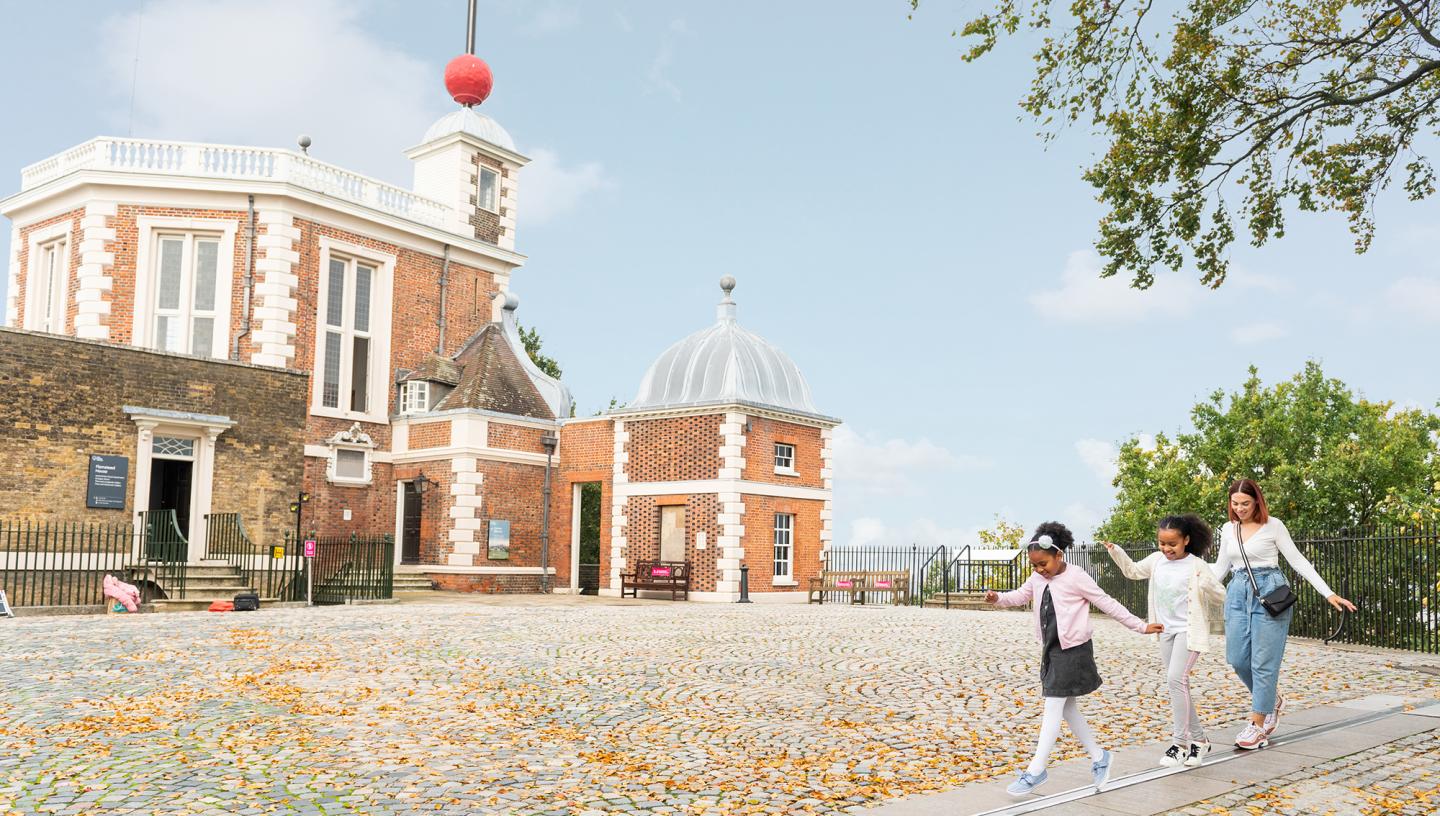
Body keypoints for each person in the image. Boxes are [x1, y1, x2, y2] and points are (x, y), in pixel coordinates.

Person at [986, 521, 1162, 796]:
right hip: (1051, 649)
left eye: (1043, 563)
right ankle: (1099, 756)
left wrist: (1140, 626)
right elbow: (1020, 596)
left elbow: (1107, 603)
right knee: (1068, 709)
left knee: (1054, 706)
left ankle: (1036, 770)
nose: (1039, 570)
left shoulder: (1077, 576)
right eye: (1034, 565)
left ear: (1059, 555)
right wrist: (998, 598)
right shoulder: (1038, 578)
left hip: (1073, 651)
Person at [1212, 479, 1358, 750]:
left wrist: (1328, 593)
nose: (1240, 508)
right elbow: (1220, 568)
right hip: (1237, 592)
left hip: (1270, 592)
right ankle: (1271, 700)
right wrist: (1189, 590)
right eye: (1235, 503)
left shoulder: (1274, 526)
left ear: (1257, 501)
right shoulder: (1228, 529)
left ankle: (1258, 723)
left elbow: (1298, 560)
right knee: (1237, 658)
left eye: (1245, 503)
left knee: (1263, 663)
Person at [1103, 515, 1227, 768]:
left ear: (1186, 540)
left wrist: (1208, 587)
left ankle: (1180, 744)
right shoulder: (1157, 560)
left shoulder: (1197, 566)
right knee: (1178, 684)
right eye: (1162, 543)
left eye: (1173, 544)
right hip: (1165, 631)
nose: (1167, 549)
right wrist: (1117, 552)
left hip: (1188, 632)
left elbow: (1220, 595)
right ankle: (1201, 740)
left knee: (1175, 679)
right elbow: (1133, 571)